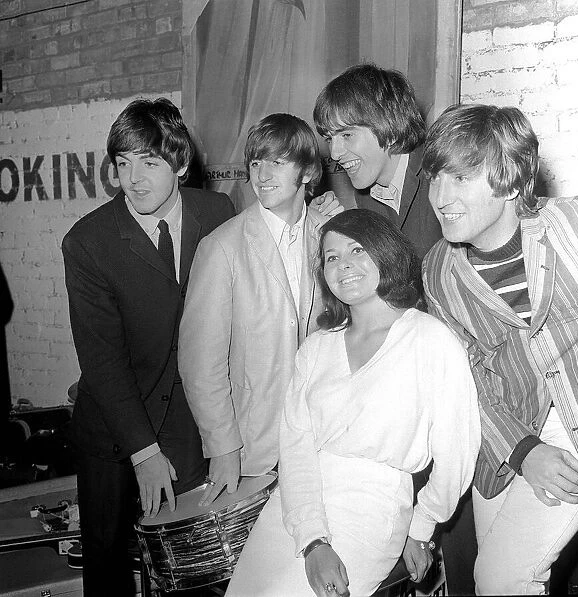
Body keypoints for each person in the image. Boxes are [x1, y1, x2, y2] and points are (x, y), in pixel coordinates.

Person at [225, 209, 480, 597]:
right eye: (330, 257)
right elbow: (295, 449)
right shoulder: (316, 347)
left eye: (357, 249)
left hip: (370, 510)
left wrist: (422, 525)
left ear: (385, 253)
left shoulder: (430, 340)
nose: (343, 265)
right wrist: (312, 539)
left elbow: (456, 455)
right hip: (294, 507)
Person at [421, 103, 578, 595]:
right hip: (509, 432)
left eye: (459, 178)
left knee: (502, 578)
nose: (440, 197)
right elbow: (468, 379)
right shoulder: (439, 270)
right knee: (488, 581)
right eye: (435, 178)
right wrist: (523, 451)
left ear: (508, 178)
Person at [61, 98, 236, 596]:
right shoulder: (88, 242)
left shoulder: (216, 211)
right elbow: (101, 361)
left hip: (188, 424)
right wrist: (143, 452)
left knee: (194, 565)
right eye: (123, 163)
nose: (133, 179)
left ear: (180, 164)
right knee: (109, 562)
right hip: (117, 434)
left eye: (150, 162)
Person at [179, 113, 332, 504]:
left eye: (278, 162)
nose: (262, 174)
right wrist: (223, 447)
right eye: (255, 162)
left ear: (308, 171)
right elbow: (200, 362)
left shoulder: (335, 236)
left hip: (326, 439)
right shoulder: (223, 248)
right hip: (255, 450)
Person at [313, 63, 441, 259]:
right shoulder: (367, 195)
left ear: (389, 129)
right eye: (330, 139)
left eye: (347, 135)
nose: (335, 154)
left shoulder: (439, 176)